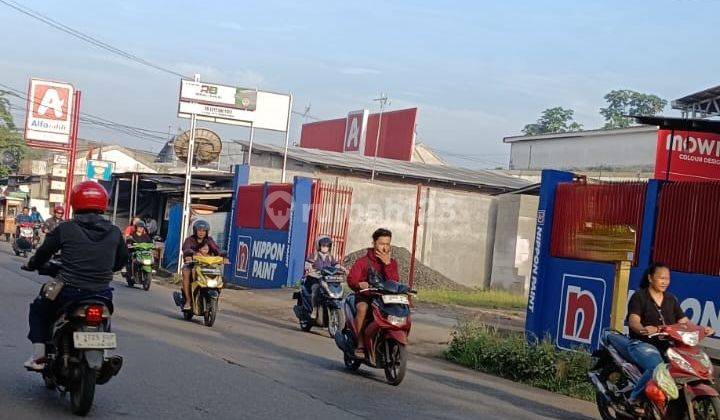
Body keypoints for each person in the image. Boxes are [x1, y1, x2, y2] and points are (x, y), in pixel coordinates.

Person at [21, 181, 128, 370]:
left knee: (39, 308)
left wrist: (33, 264)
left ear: (75, 203)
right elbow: (121, 260)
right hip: (102, 292)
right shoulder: (114, 231)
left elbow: (44, 252)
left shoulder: (66, 228)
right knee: (105, 316)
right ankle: (104, 354)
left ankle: (38, 355)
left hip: (69, 289)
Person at [625, 262, 714, 412]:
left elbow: (684, 322)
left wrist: (702, 329)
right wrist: (643, 330)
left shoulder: (671, 299)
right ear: (650, 278)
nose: (665, 282)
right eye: (661, 278)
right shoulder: (639, 297)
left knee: (687, 365)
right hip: (641, 344)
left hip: (667, 346)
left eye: (667, 278)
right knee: (657, 367)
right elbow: (633, 321)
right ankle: (634, 399)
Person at [347, 228, 399, 358]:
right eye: (382, 244)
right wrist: (359, 284)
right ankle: (360, 343)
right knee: (362, 308)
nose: (385, 248)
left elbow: (395, 282)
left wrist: (387, 264)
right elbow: (351, 279)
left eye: (388, 244)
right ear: (374, 243)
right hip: (366, 297)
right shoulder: (362, 261)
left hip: (384, 299)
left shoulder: (392, 263)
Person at [180, 220, 220, 311]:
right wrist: (190, 255)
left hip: (206, 266)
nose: (201, 232)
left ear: (206, 232)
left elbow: (216, 249)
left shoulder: (209, 240)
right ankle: (188, 301)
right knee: (186, 273)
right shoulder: (189, 240)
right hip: (191, 265)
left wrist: (222, 255)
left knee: (218, 277)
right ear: (195, 231)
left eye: (203, 230)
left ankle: (214, 301)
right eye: (199, 230)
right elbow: (186, 249)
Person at [304, 236, 344, 320]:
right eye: (323, 246)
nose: (325, 248)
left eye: (327, 246)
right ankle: (314, 310)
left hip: (326, 278)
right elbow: (308, 263)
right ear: (319, 246)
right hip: (314, 278)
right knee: (315, 289)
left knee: (334, 287)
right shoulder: (314, 255)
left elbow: (335, 264)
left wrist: (342, 268)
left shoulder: (330, 257)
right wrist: (309, 268)